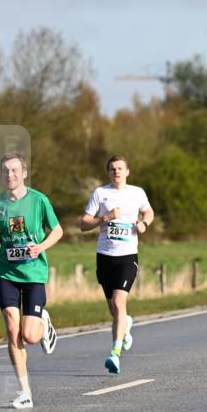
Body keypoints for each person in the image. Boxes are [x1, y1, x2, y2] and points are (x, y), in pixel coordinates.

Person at [0, 152, 61, 409]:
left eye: (15, 170)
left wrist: (41, 247)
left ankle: (43, 321)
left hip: (34, 273)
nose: (10, 175)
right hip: (7, 273)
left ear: (24, 173)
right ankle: (24, 391)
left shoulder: (39, 201)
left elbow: (58, 230)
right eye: (5, 171)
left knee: (30, 336)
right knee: (12, 330)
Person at [80, 155, 155, 374]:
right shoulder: (100, 194)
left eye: (120, 168)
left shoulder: (137, 192)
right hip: (104, 255)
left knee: (120, 302)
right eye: (112, 169)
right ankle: (126, 324)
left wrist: (144, 224)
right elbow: (83, 223)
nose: (116, 172)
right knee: (113, 307)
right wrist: (104, 219)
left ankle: (115, 353)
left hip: (127, 255)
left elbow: (148, 211)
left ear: (127, 171)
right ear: (108, 172)